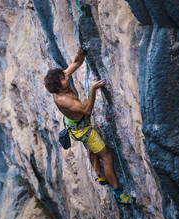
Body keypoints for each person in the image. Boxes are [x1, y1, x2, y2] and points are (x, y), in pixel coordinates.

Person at [44, 46, 134, 205]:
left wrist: (81, 47)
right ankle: (119, 195)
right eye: (64, 78)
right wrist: (93, 89)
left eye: (64, 75)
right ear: (58, 87)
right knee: (107, 156)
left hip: (73, 124)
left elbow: (76, 62)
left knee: (91, 149)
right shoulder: (62, 99)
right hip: (82, 129)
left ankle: (99, 173)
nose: (67, 76)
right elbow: (86, 110)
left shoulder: (60, 81)